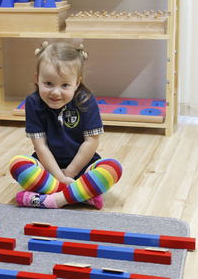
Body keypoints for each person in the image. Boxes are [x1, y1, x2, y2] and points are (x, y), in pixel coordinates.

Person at [9, 42, 122, 209]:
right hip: (48, 171)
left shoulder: (86, 100)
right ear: (37, 79)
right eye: (48, 83)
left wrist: (69, 173)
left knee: (113, 168)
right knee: (17, 164)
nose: (56, 92)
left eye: (65, 85)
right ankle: (78, 195)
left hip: (82, 168)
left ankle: (53, 199)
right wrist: (59, 177)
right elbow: (41, 146)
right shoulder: (33, 102)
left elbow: (91, 142)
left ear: (77, 83)